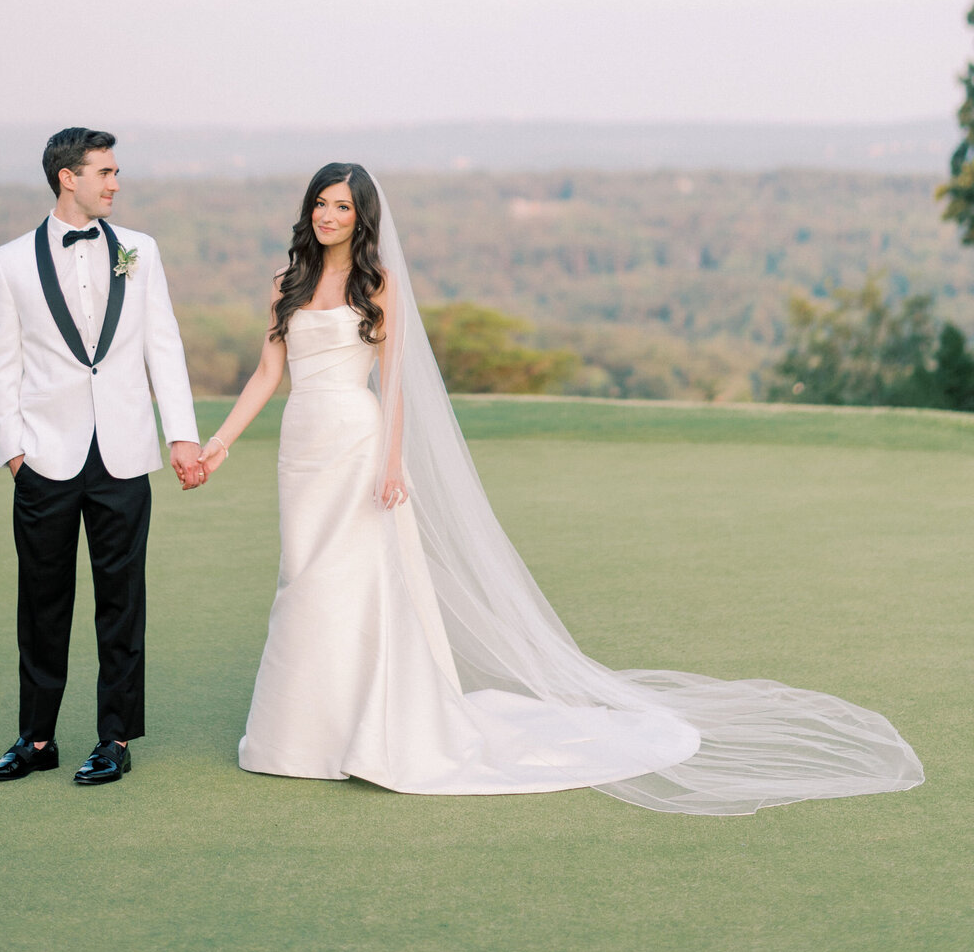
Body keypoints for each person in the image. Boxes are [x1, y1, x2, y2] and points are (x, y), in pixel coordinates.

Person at [194, 163, 924, 810]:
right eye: (321, 203)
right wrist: (220, 444)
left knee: (355, 582)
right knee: (303, 578)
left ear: (362, 218)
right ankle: (299, 736)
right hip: (303, 449)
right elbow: (267, 374)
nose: (328, 215)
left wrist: (392, 463)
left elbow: (397, 384)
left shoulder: (377, 286)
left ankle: (366, 729)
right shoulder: (286, 284)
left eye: (343, 206)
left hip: (359, 443)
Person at [0, 127, 204, 786]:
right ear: (67, 178)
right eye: (104, 172)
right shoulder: (8, 264)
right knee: (41, 604)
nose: (115, 183)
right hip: (44, 459)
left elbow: (164, 344)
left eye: (115, 172)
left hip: (124, 454)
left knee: (121, 603)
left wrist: (181, 434)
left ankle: (115, 739)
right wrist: (14, 454)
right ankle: (36, 740)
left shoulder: (141, 251)